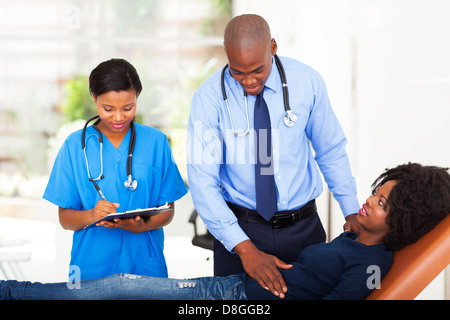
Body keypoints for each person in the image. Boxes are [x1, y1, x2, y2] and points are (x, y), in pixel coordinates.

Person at [2, 163, 449, 300]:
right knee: (122, 289)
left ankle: (13, 292)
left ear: (404, 220)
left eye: (383, 203)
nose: (370, 200)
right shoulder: (354, 238)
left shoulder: (371, 263)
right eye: (377, 191)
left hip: (238, 302)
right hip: (235, 286)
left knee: (121, 288)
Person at [186, 13, 360, 295]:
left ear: (274, 47)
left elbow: (329, 150)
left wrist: (350, 209)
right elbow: (202, 181)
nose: (249, 81)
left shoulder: (307, 82)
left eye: (257, 70)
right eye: (237, 72)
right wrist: (244, 249)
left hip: (304, 229)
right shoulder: (208, 99)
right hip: (241, 229)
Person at [42, 58, 187, 281]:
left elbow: (168, 210)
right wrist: (92, 214)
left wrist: (140, 227)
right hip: (91, 266)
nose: (119, 117)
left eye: (128, 108)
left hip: (145, 264)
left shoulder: (156, 142)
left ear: (137, 98)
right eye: (108, 109)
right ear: (94, 98)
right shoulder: (74, 146)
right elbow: (65, 218)